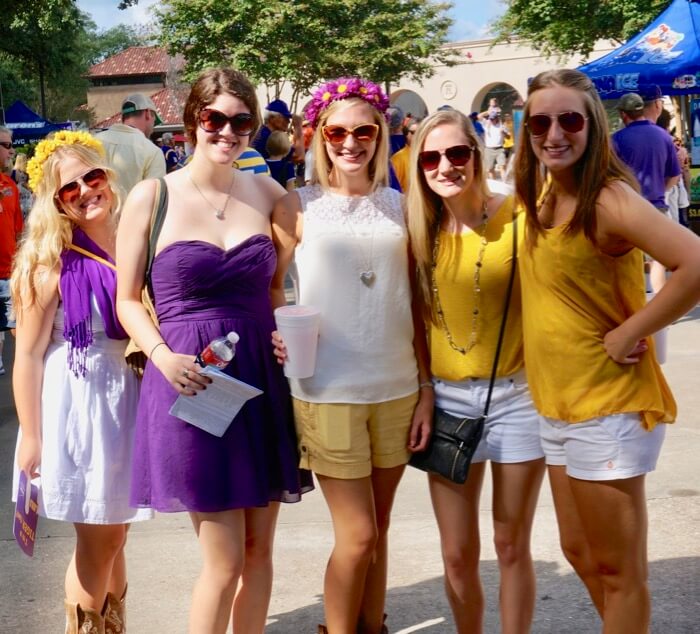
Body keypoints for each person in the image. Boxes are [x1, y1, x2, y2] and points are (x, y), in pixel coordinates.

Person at [116, 67, 312, 634]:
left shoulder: (273, 194)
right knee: (223, 561)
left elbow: (278, 288)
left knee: (258, 555)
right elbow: (128, 300)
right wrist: (161, 356)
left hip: (258, 383)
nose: (227, 131)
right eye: (214, 119)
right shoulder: (153, 197)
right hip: (191, 383)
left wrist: (286, 333)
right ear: (191, 121)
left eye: (240, 121)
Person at [515, 69, 700, 632]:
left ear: (593, 126)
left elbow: (694, 261)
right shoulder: (544, 196)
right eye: (540, 122)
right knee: (578, 551)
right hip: (557, 406)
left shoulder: (608, 198)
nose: (554, 133)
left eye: (569, 119)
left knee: (618, 570)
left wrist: (630, 330)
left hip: (609, 408)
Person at [271, 76, 432, 634]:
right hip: (327, 388)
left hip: (398, 386)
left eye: (365, 130)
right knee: (358, 533)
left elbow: (417, 301)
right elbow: (270, 284)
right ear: (318, 135)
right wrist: (278, 328)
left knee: (379, 527)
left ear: (381, 133)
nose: (351, 142)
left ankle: (373, 624)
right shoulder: (296, 204)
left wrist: (427, 388)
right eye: (337, 131)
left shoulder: (403, 206)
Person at [406, 109, 545, 634]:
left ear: (477, 154)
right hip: (445, 401)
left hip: (515, 397)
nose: (446, 166)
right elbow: (414, 322)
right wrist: (423, 390)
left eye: (457, 153)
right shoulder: (419, 229)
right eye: (432, 157)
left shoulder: (519, 215)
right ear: (419, 164)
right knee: (458, 554)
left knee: (511, 543)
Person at [11, 130, 152, 632]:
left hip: (127, 397)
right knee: (100, 541)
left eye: (92, 177)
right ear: (54, 201)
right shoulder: (47, 262)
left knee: (118, 537)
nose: (86, 190)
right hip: (79, 404)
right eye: (70, 188)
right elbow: (25, 354)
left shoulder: (137, 242)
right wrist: (30, 434)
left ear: (108, 177)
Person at [612, 92, 681, 292]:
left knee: (628, 258)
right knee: (658, 258)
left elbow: (609, 177)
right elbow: (674, 175)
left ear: (624, 115)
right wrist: (661, 189)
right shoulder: (664, 136)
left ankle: (635, 303)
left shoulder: (616, 140)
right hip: (657, 207)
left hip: (627, 208)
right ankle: (660, 304)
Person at [96, 93, 166, 195]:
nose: (153, 127)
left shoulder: (94, 142)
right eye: (154, 120)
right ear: (147, 113)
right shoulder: (152, 152)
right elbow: (155, 198)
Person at [0, 126, 23, 376]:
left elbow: (18, 230)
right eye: (6, 145)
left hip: (10, 274)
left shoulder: (10, 186)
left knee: (21, 332)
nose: (11, 151)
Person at [390, 117, 420, 193]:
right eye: (413, 133)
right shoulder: (398, 159)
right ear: (406, 133)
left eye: (420, 132)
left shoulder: (430, 154)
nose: (417, 136)